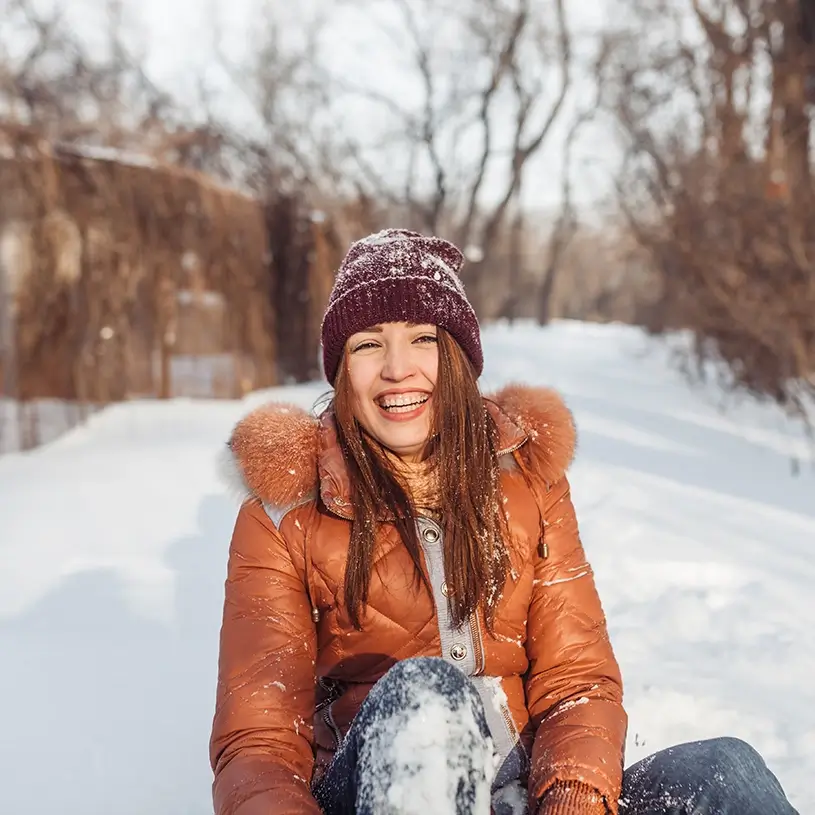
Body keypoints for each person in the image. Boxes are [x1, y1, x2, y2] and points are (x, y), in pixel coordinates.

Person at [209, 229, 798, 815]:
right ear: (342, 370)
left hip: (526, 791)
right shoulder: (285, 514)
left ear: (459, 359)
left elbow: (578, 681)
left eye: (422, 339)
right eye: (368, 345)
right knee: (427, 696)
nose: (397, 368)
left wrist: (572, 795)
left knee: (726, 770)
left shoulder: (528, 483)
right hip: (376, 789)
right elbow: (259, 743)